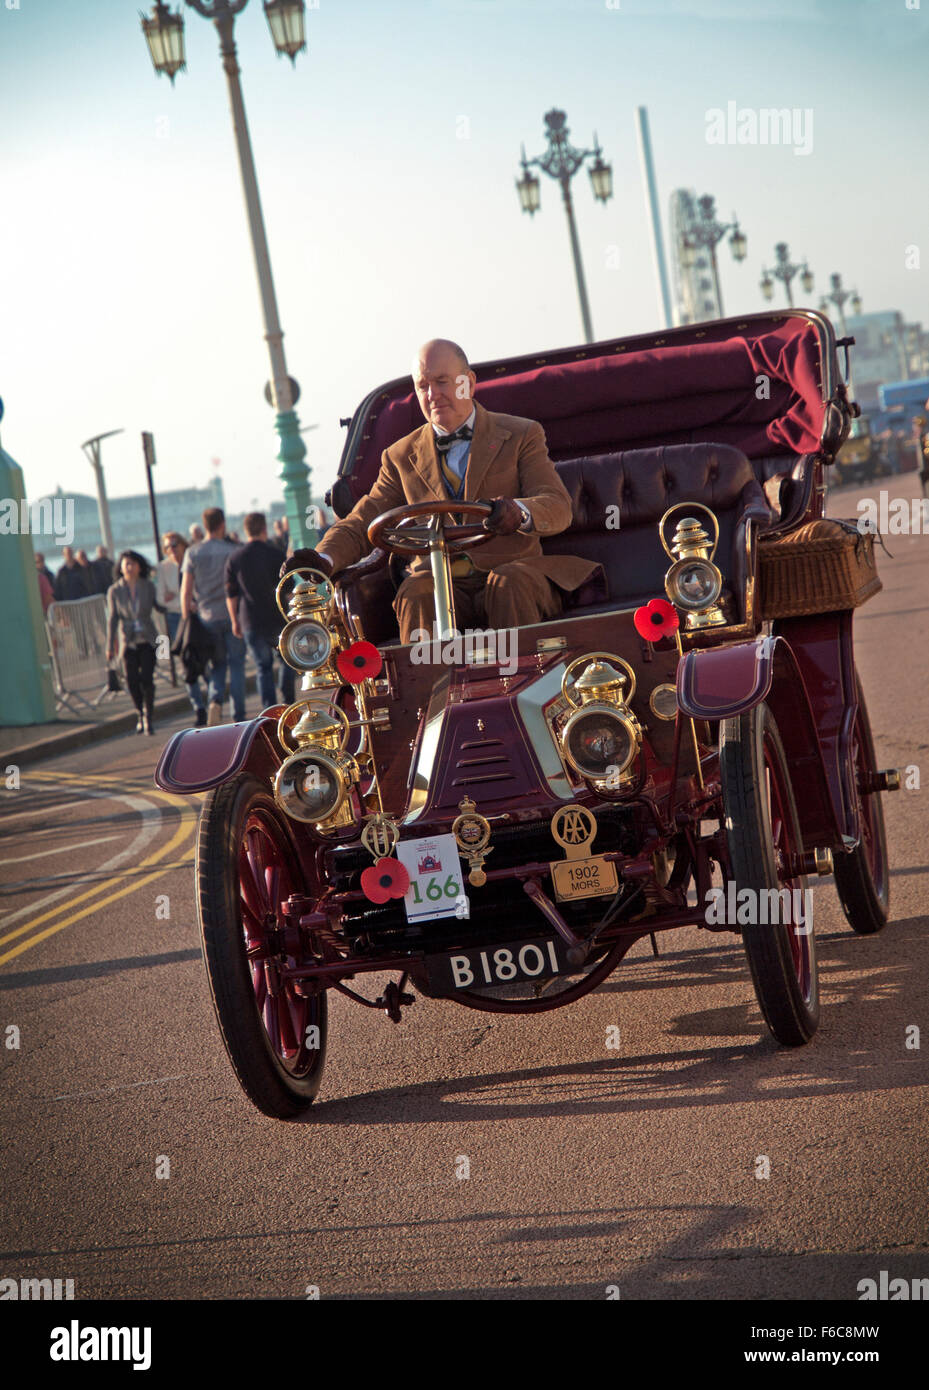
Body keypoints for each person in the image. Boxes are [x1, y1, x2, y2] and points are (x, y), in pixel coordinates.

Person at [285, 338, 598, 642]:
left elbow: (557, 505)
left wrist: (519, 512)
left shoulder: (521, 434)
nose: (432, 394)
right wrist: (323, 559)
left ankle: (522, 689)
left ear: (469, 383)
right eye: (423, 386)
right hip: (439, 584)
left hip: (514, 576)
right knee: (417, 592)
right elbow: (361, 522)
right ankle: (429, 692)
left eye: (442, 382)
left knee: (509, 583)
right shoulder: (399, 457)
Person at [180, 507, 245, 725]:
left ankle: (215, 699)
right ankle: (239, 713)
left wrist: (185, 617)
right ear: (222, 524)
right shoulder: (231, 551)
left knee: (217, 665)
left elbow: (186, 591)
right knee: (236, 664)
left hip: (207, 617)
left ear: (204, 525)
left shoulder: (192, 553)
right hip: (232, 613)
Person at [225, 512, 295, 711]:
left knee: (263, 667)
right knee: (287, 660)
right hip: (277, 617)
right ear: (264, 529)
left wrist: (234, 621)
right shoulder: (276, 554)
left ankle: (269, 710)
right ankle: (288, 701)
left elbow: (231, 594)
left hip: (250, 619)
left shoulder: (235, 557)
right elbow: (288, 588)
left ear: (245, 530)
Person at [106, 550, 159, 735]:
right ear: (120, 567)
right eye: (126, 564)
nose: (129, 567)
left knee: (147, 679)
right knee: (131, 681)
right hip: (127, 641)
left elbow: (158, 606)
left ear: (139, 566)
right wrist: (109, 646)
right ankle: (139, 711)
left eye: (133, 563)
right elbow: (112, 619)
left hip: (147, 639)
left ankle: (149, 717)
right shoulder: (115, 590)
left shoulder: (148, 586)